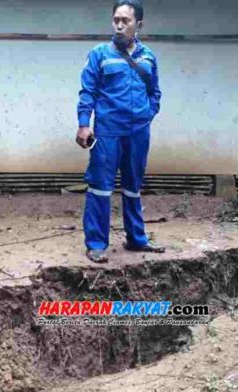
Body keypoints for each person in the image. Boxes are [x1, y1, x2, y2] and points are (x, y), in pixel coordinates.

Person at [76, 0, 165, 263]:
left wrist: (148, 114)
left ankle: (136, 239)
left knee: (133, 186)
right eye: (116, 19)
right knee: (100, 187)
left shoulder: (148, 56)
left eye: (125, 20)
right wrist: (84, 123)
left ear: (138, 24)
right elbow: (87, 91)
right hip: (108, 132)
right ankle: (96, 244)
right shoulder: (100, 54)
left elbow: (155, 92)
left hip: (138, 132)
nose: (119, 25)